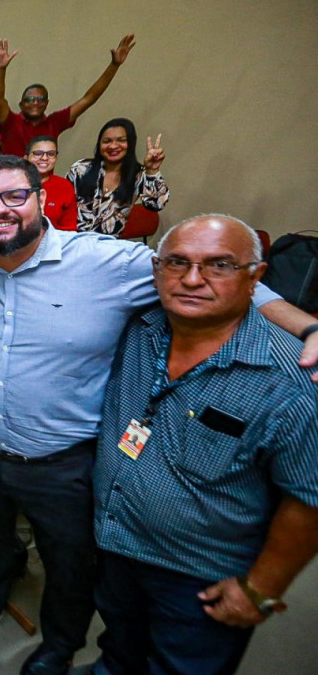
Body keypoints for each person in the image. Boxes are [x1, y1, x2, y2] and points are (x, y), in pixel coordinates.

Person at [0, 155, 317, 675]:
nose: (0, 209)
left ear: (42, 199)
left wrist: (309, 328)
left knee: (70, 563)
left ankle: (59, 644)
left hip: (64, 461)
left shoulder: (107, 262)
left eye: (14, 196)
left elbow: (214, 278)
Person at [88, 214, 318, 675]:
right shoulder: (139, 330)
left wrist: (260, 588)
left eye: (218, 266)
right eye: (177, 263)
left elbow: (309, 499)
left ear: (255, 277)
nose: (192, 279)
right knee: (118, 648)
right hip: (116, 544)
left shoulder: (289, 380)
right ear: (157, 270)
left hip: (199, 578)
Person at [0, 34, 136, 156]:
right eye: (30, 99)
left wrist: (114, 65)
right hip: (10, 185)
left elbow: (89, 99)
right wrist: (0, 70)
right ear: (21, 105)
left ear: (47, 103)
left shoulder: (55, 122)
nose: (35, 103)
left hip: (43, 186)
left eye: (40, 99)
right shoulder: (10, 121)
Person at [66, 119, 168, 236]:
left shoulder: (139, 175)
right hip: (73, 242)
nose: (113, 146)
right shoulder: (81, 169)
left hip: (109, 247)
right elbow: (61, 204)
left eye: (121, 140)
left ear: (130, 143)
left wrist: (152, 171)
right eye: (107, 141)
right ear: (99, 144)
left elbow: (157, 205)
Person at [25, 136, 76, 231]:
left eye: (51, 154)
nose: (44, 158)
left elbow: (69, 229)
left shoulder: (64, 186)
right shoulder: (14, 183)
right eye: (38, 153)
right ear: (26, 157)